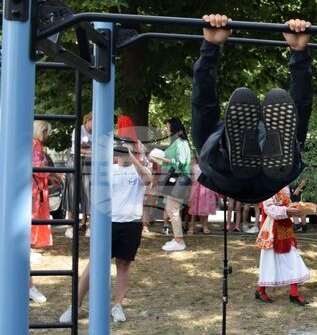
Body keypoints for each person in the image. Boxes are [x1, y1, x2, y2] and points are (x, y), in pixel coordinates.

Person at [191, 14, 313, 204]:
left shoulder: (218, 133)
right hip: (273, 178)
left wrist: (210, 47)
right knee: (293, 131)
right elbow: (301, 108)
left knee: (210, 140)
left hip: (226, 173)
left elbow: (203, 104)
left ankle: (234, 152)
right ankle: (252, 151)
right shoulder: (275, 125)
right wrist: (299, 53)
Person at [60, 138, 152, 323]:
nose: (124, 153)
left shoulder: (141, 169)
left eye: (130, 150)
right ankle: (74, 306)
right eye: (121, 150)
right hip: (108, 223)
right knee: (94, 265)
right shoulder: (108, 170)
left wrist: (133, 158)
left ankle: (118, 305)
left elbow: (147, 180)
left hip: (131, 224)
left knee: (123, 265)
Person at [254, 186, 311, 305]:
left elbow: (287, 202)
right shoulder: (268, 184)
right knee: (269, 260)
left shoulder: (284, 185)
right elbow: (268, 208)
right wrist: (288, 210)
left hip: (284, 226)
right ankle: (261, 290)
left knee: (292, 257)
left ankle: (294, 293)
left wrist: (295, 207)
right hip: (271, 228)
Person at [152, 117, 191, 252]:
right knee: (172, 209)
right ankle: (177, 238)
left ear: (173, 128)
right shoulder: (179, 142)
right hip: (174, 179)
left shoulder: (180, 143)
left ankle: (179, 240)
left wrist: (161, 158)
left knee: (172, 210)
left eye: (168, 127)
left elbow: (180, 162)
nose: (166, 130)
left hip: (178, 180)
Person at [31, 120, 58, 254]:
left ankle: (33, 244)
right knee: (33, 215)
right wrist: (52, 174)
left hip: (37, 185)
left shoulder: (33, 144)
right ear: (43, 131)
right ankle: (31, 245)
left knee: (34, 215)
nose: (48, 136)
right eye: (48, 133)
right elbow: (37, 167)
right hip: (36, 187)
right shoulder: (35, 145)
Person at [65, 112, 93, 239]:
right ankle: (70, 227)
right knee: (72, 192)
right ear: (87, 120)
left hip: (90, 163)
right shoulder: (78, 130)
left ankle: (90, 227)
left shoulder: (98, 131)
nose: (94, 124)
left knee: (90, 193)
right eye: (93, 121)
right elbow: (76, 148)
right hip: (75, 161)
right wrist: (92, 151)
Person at [186, 153, 217, 235]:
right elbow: (192, 180)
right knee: (194, 209)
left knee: (205, 209)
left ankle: (205, 226)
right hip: (196, 188)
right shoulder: (194, 166)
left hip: (206, 189)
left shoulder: (208, 165)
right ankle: (192, 227)